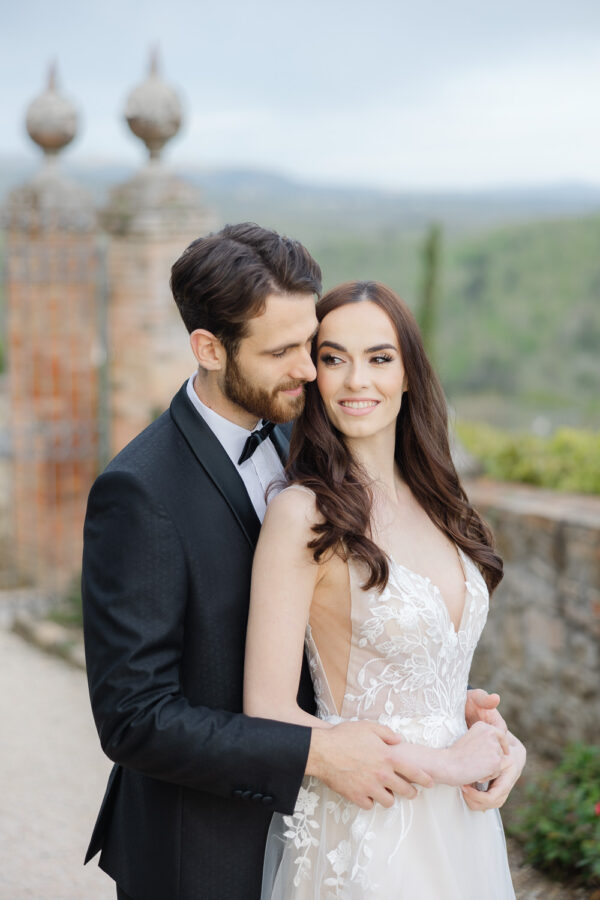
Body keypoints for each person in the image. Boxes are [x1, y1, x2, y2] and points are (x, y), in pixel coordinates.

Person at [82, 225, 445, 900]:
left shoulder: (305, 435)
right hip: (202, 852)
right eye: (281, 352)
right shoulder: (138, 492)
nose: (309, 371)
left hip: (330, 839)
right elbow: (134, 719)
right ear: (209, 349)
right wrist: (318, 752)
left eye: (309, 344)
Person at [244, 280, 526, 899]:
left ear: (408, 374)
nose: (355, 381)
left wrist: (501, 746)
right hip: (366, 824)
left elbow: (439, 683)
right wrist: (443, 764)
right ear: (312, 374)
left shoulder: (442, 503)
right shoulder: (303, 513)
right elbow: (267, 711)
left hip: (459, 825)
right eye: (333, 358)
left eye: (379, 358)